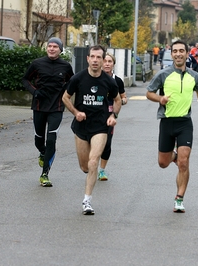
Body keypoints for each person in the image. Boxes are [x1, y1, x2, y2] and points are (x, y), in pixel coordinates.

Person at [145, 40, 198, 213]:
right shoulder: (163, 75)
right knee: (163, 163)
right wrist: (160, 99)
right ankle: (174, 157)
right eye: (175, 51)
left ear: (187, 54)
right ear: (171, 54)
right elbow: (149, 92)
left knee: (183, 162)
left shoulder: (194, 76)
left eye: (182, 51)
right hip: (167, 121)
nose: (178, 54)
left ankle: (179, 198)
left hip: (185, 123)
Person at [62, 45, 121, 215]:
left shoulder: (109, 81)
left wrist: (113, 116)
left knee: (93, 161)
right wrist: (75, 112)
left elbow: (117, 100)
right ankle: (90, 173)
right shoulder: (78, 79)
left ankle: (87, 200)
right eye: (92, 57)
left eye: (99, 57)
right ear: (88, 59)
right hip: (81, 127)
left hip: (100, 127)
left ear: (103, 61)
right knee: (85, 166)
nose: (95, 60)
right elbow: (65, 97)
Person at [22, 37, 74, 187]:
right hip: (39, 106)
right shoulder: (37, 64)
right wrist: (34, 91)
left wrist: (65, 92)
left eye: (55, 47)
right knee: (39, 139)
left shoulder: (65, 66)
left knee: (51, 139)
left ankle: (45, 174)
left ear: (60, 50)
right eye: (49, 46)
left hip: (56, 107)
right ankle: (43, 152)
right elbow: (25, 79)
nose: (52, 49)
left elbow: (72, 81)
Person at [98, 52, 127, 181]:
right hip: (95, 112)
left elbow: (123, 96)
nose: (107, 64)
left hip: (110, 113)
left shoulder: (117, 80)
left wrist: (124, 100)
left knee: (107, 142)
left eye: (110, 61)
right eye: (105, 61)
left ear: (113, 64)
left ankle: (102, 171)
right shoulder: (95, 77)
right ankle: (92, 164)